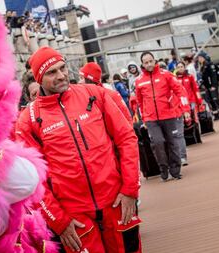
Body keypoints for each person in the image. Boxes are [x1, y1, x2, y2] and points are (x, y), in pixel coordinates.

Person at [16, 47, 141, 253]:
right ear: (39, 78)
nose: (62, 75)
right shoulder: (27, 120)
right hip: (74, 217)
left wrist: (130, 190)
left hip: (117, 202)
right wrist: (58, 221)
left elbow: (126, 139)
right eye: (52, 72)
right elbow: (32, 179)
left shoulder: (95, 95)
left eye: (63, 68)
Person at [135, 51, 191, 181]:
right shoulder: (139, 81)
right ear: (142, 64)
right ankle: (163, 169)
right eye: (146, 62)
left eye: (150, 61)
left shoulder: (166, 75)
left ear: (154, 61)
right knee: (158, 142)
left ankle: (175, 170)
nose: (149, 64)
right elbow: (139, 101)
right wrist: (143, 118)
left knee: (173, 142)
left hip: (169, 115)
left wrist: (185, 109)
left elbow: (180, 91)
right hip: (151, 119)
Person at [175, 62, 202, 166]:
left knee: (193, 119)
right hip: (180, 103)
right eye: (178, 67)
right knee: (183, 122)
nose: (180, 68)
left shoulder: (189, 77)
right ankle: (187, 140)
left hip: (191, 101)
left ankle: (197, 137)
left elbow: (195, 89)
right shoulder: (174, 79)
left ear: (184, 67)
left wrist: (199, 100)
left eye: (181, 66)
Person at [197, 51, 219, 120]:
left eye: (200, 57)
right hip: (207, 86)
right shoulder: (202, 66)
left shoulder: (210, 65)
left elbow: (213, 76)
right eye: (198, 58)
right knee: (210, 100)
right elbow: (203, 77)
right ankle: (216, 116)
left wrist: (213, 85)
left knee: (215, 99)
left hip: (213, 85)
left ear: (204, 57)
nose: (199, 59)